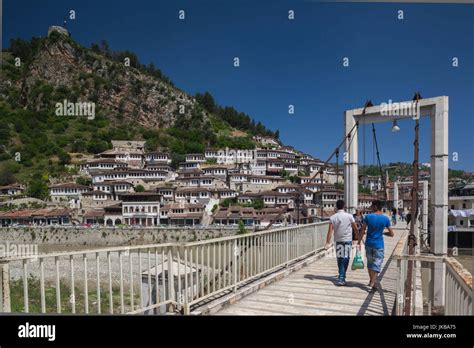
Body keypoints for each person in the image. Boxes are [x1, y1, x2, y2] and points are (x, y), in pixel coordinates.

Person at [358, 200, 394, 291]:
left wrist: (358, 242)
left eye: (372, 206)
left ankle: (371, 281)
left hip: (369, 243)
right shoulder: (385, 219)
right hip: (379, 245)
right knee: (377, 264)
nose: (371, 207)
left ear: (375, 207)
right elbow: (392, 233)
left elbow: (362, 230)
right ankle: (373, 283)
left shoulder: (368, 217)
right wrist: (384, 233)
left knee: (370, 264)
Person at [324, 200, 360, 286]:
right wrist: (358, 239)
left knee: (340, 258)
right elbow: (355, 228)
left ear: (336, 206)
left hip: (338, 240)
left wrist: (327, 242)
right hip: (347, 240)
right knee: (345, 258)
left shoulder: (333, 217)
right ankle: (342, 277)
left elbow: (330, 231)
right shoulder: (349, 216)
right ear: (344, 206)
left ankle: (341, 275)